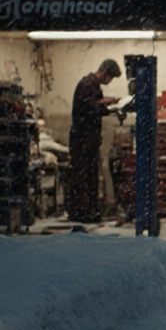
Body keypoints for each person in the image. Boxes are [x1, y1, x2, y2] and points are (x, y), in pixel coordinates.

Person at [67, 59, 121, 224]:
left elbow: (94, 109)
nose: (109, 82)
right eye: (110, 78)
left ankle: (89, 211)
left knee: (90, 176)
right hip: (82, 139)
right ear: (105, 73)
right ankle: (81, 213)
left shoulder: (94, 85)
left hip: (89, 140)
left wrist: (111, 109)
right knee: (82, 177)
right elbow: (87, 108)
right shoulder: (87, 84)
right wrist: (105, 102)